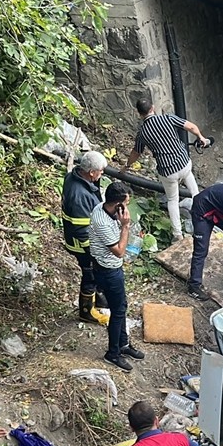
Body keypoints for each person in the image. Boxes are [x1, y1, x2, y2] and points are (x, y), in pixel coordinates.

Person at [125, 99, 210, 242]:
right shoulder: (168, 118)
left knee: (172, 200)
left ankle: (178, 234)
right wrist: (201, 138)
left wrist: (126, 166)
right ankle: (203, 220)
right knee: (195, 192)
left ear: (139, 114)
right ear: (153, 108)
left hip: (168, 171)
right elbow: (191, 127)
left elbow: (136, 153)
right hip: (184, 163)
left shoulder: (142, 133)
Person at [89, 182, 146, 372]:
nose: (128, 208)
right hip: (108, 270)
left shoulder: (104, 208)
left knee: (121, 307)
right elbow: (120, 252)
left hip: (111, 268)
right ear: (118, 205)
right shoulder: (103, 222)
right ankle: (113, 353)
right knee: (118, 311)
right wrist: (125, 227)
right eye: (126, 204)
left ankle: (123, 344)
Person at [61, 150, 110, 325]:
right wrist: (94, 250)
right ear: (91, 172)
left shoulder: (74, 177)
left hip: (82, 238)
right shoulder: (79, 195)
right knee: (90, 274)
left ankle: (98, 298)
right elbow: (81, 228)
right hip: (81, 244)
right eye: (100, 171)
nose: (102, 174)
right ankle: (86, 312)